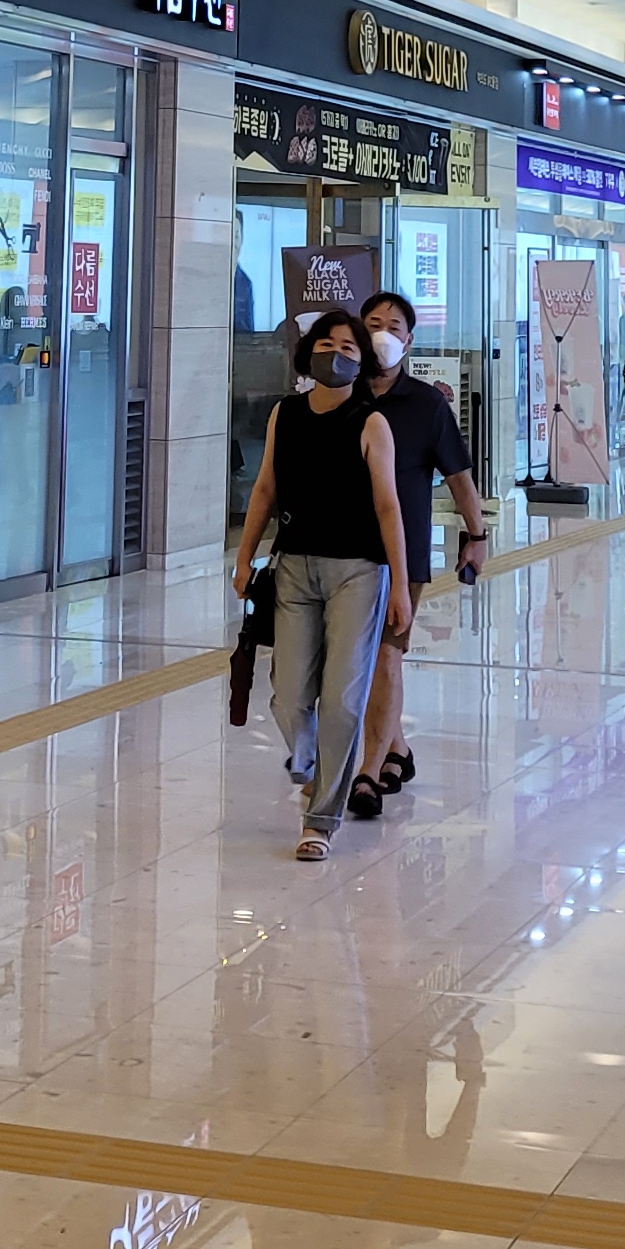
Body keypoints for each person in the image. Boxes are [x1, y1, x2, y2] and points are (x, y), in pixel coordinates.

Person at [229, 310, 411, 863]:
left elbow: (388, 507)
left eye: (349, 347)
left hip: (359, 571)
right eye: (326, 344)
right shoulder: (285, 414)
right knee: (288, 694)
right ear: (308, 352)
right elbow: (265, 489)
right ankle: (310, 761)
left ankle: (320, 820)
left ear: (364, 361)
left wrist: (400, 586)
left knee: (341, 701)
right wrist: (244, 557)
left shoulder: (371, 423)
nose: (336, 354)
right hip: (293, 567)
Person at [355, 290, 489, 816]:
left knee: (386, 654)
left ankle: (368, 771)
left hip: (402, 553)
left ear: (409, 342)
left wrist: (476, 536)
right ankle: (397, 749)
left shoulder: (428, 404)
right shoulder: (341, 396)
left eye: (393, 326)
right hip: (342, 550)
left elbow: (459, 476)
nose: (382, 334)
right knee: (358, 660)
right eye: (373, 323)